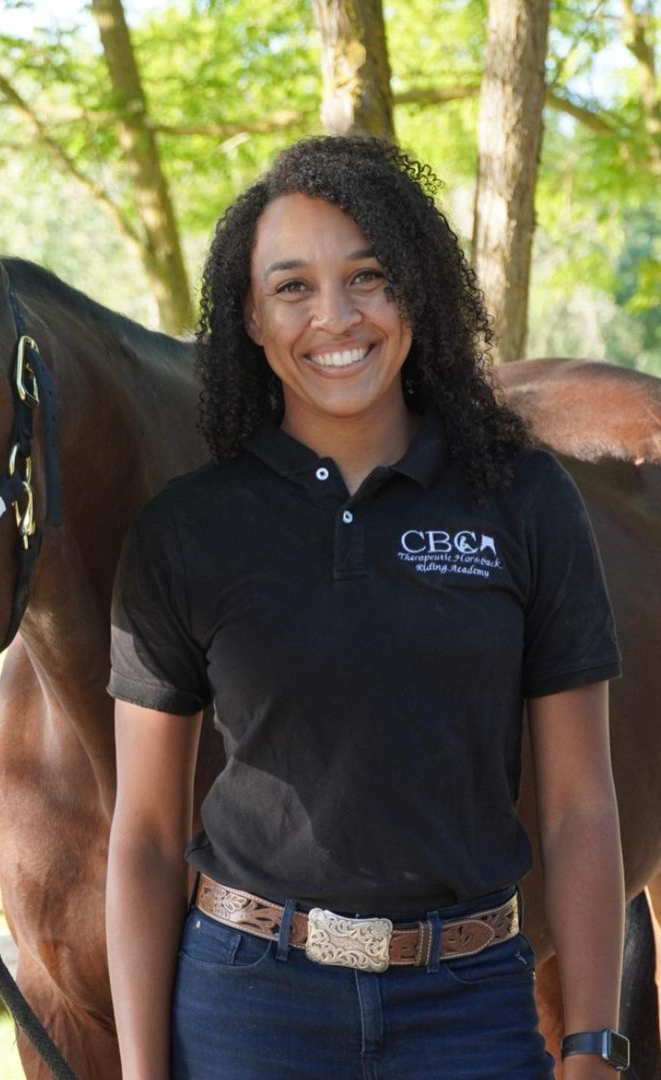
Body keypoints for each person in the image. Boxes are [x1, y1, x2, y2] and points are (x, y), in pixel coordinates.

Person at [106, 137, 627, 1080]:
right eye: (293, 287)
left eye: (369, 276)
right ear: (251, 320)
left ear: (416, 294)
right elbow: (144, 839)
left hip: (471, 1012)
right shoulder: (186, 531)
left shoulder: (523, 502)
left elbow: (581, 805)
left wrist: (592, 1041)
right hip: (249, 1009)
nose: (335, 316)